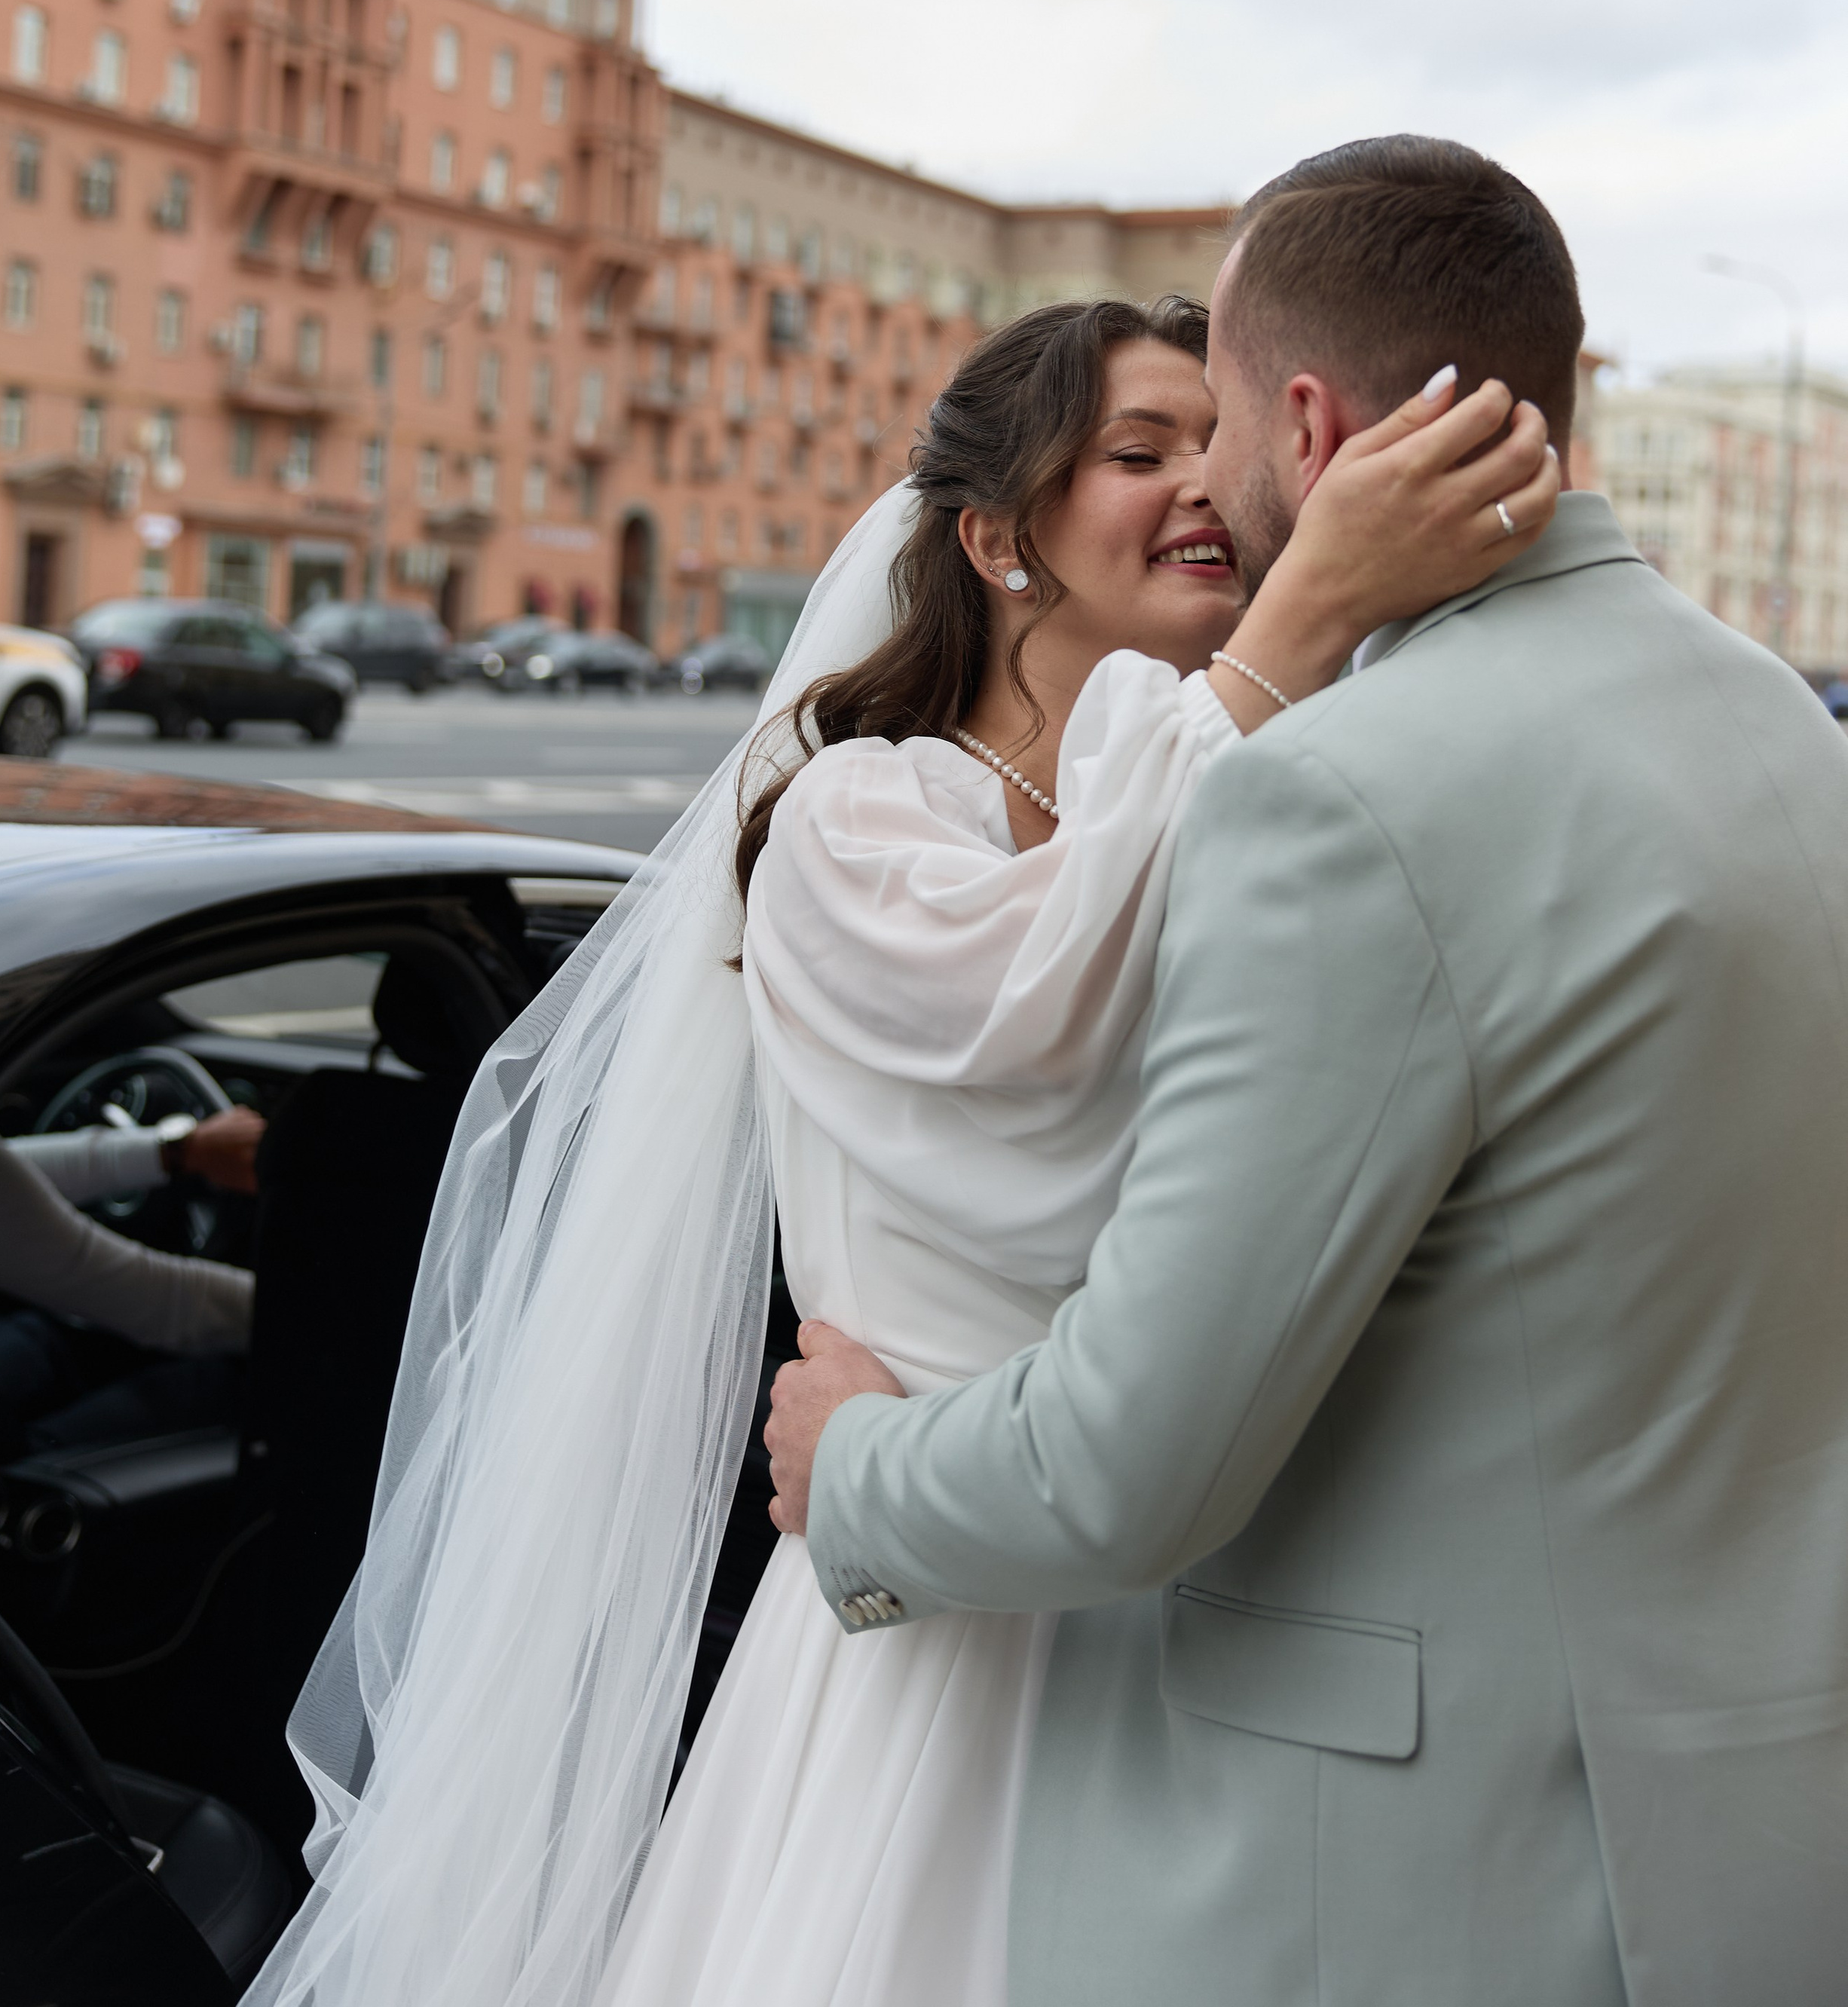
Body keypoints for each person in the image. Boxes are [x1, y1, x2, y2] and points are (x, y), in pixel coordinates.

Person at [244, 281, 1556, 2007]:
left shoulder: (1247, 790)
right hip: (932, 1623)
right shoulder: (858, 813)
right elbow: (1045, 1004)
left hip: (1196, 1620)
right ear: (997, 534)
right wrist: (1298, 619)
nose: (1193, 485)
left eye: (1215, 449)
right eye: (1134, 447)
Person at [771, 137, 1848, 2007]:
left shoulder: (1333, 795)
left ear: (1300, 414)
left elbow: (1128, 1463)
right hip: (1733, 1829)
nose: (1203, 486)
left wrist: (843, 1467)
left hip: (1393, 1888)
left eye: (1211, 436)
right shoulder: (1766, 716)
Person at [0, 1106, 260, 1446]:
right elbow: (164, 1302)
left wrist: (174, 1152)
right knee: (215, 1383)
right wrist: (300, 1307)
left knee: (45, 1339)